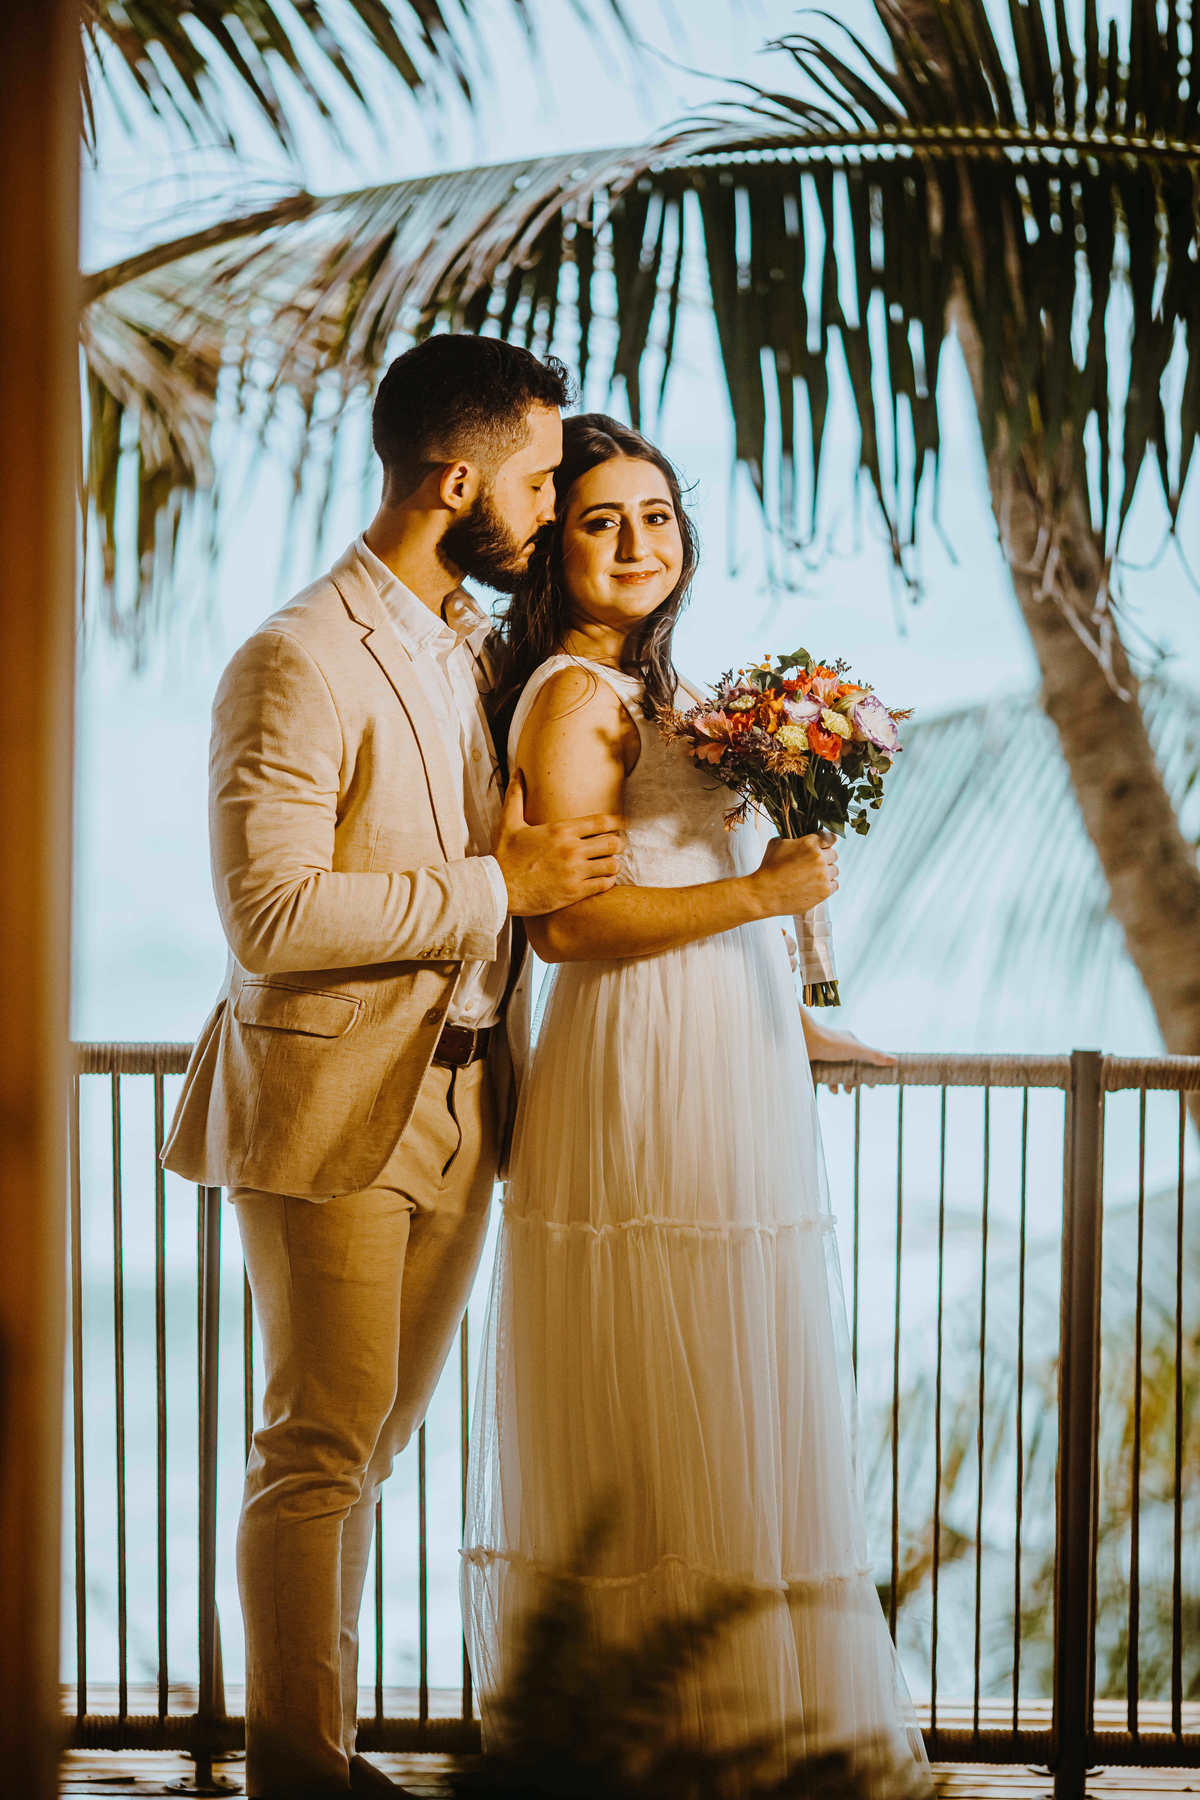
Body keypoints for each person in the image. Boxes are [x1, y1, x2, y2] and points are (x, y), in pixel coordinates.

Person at [161, 337, 628, 1799]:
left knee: (370, 1449)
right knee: (317, 1448)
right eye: (539, 481)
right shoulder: (295, 656)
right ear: (456, 482)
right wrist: (499, 885)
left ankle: (325, 1748)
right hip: (331, 1108)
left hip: (469, 1098)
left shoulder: (470, 647)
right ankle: (299, 1773)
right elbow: (272, 915)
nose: (551, 508)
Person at [461, 414, 930, 1792]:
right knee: (668, 1377)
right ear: (553, 547)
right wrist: (769, 895)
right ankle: (676, 1744)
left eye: (656, 517)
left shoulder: (644, 691)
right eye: (600, 520)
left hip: (723, 1053)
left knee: (728, 1370)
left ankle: (733, 1727)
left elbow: (671, 881)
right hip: (642, 1059)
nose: (636, 544)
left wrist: (795, 1019)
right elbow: (571, 927)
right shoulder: (573, 698)